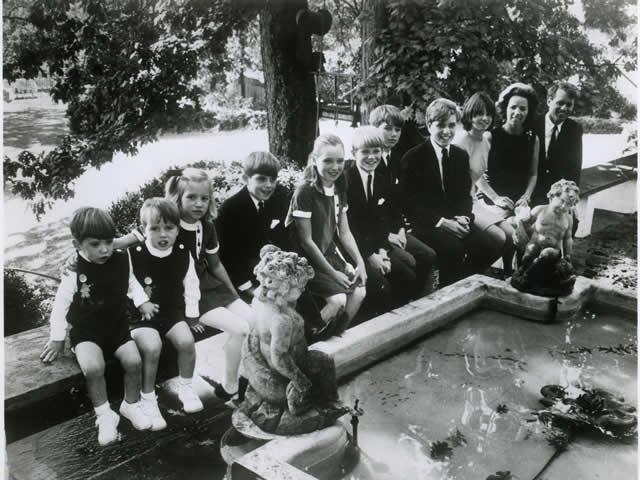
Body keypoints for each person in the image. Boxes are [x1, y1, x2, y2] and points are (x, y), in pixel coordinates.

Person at [40, 207, 153, 446]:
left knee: (134, 361)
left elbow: (131, 282)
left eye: (109, 241)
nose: (104, 249)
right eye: (95, 244)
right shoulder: (73, 271)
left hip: (118, 328)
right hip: (87, 332)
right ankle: (104, 415)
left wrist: (142, 301)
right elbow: (60, 305)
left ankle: (129, 405)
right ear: (77, 244)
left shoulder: (122, 258)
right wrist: (57, 337)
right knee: (93, 368)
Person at [164, 168, 254, 401]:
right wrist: (115, 244)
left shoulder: (207, 226)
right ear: (178, 198)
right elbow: (142, 240)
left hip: (211, 286)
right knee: (240, 328)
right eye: (191, 197)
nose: (198, 204)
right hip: (189, 296)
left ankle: (240, 367)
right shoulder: (169, 226)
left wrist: (234, 295)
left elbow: (216, 265)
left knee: (255, 321)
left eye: (205, 198)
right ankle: (230, 386)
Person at [399, 98, 501, 287]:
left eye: (452, 125)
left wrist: (463, 217)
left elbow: (465, 194)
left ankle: (463, 284)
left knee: (488, 246)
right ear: (429, 125)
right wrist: (442, 223)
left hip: (456, 219)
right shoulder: (413, 158)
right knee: (453, 249)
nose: (447, 131)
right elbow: (409, 204)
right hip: (427, 223)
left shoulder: (459, 156)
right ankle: (448, 291)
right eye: (441, 125)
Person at [128, 198, 203, 430]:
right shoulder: (135, 253)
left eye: (169, 228)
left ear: (177, 229)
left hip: (171, 312)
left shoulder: (182, 252)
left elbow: (191, 283)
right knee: (152, 347)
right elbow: (129, 282)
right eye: (155, 228)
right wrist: (142, 303)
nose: (163, 234)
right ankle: (148, 398)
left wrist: (192, 315)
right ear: (143, 230)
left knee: (186, 341)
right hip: (142, 316)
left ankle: (186, 387)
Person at [344, 126, 434, 315]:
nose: (371, 157)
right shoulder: (347, 181)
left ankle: (397, 314)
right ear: (353, 153)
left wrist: (383, 250)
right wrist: (371, 256)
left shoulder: (380, 179)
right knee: (380, 283)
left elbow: (381, 220)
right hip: (354, 249)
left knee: (407, 273)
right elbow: (349, 227)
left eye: (376, 151)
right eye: (365, 152)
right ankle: (374, 318)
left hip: (376, 244)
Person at [285, 133, 367, 337]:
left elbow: (345, 232)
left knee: (360, 291)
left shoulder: (339, 187)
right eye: (328, 160)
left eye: (340, 161)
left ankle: (336, 336)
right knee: (338, 299)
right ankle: (308, 340)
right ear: (315, 160)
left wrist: (360, 264)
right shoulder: (305, 192)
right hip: (306, 260)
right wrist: (333, 273)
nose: (335, 167)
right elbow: (306, 241)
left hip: (328, 254)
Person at [369, 104, 438, 293]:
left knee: (428, 255)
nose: (393, 134)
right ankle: (401, 304)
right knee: (407, 265)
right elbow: (371, 211)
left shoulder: (395, 160)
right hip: (377, 233)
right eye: (388, 129)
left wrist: (399, 228)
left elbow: (397, 203)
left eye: (397, 130)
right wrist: (387, 235)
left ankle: (414, 300)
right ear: (374, 129)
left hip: (395, 230)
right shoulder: (370, 162)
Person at [453, 92, 515, 274]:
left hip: (474, 201)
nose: (484, 118)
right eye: (479, 113)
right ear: (469, 114)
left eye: (488, 114)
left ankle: (502, 273)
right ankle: (467, 275)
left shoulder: (485, 140)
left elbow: (477, 175)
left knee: (511, 234)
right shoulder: (460, 142)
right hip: (459, 205)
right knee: (499, 237)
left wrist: (495, 198)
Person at [217, 152, 290, 295]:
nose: (269, 185)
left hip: (268, 268)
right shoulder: (231, 209)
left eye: (273, 179)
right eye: (261, 179)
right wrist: (249, 288)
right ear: (246, 178)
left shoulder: (272, 200)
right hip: (242, 277)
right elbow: (228, 256)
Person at [486, 83, 541, 270]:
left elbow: (533, 173)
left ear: (528, 111)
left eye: (523, 108)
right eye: (513, 107)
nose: (517, 112)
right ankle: (509, 271)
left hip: (521, 200)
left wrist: (527, 196)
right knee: (514, 233)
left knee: (533, 228)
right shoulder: (490, 137)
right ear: (505, 108)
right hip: (495, 200)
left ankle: (521, 270)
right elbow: (477, 176)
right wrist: (496, 198)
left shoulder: (533, 138)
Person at [533, 82, 583, 209]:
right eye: (560, 103)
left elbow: (575, 168)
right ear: (549, 101)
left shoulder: (575, 130)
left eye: (569, 105)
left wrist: (571, 202)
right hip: (531, 194)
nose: (565, 108)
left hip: (559, 199)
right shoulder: (532, 125)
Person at [516, 179, 580, 267]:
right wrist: (521, 217)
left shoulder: (568, 219)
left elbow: (568, 239)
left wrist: (567, 255)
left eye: (568, 204)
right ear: (552, 196)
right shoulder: (539, 210)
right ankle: (522, 271)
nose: (563, 207)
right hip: (534, 245)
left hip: (553, 251)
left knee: (549, 257)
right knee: (528, 255)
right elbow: (526, 224)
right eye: (562, 201)